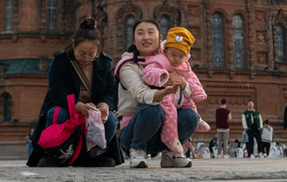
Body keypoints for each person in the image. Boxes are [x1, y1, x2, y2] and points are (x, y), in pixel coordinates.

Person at [27, 18, 121, 167]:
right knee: (57, 114)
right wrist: (79, 107)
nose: (86, 58)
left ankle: (94, 155)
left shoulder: (105, 63)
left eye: (92, 54)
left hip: (93, 110)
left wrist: (104, 105)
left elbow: (110, 91)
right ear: (73, 44)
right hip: (67, 107)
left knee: (110, 121)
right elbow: (56, 92)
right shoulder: (61, 61)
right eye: (81, 53)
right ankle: (56, 153)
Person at [116, 19, 196, 168]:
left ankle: (170, 154)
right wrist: (163, 93)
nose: (146, 37)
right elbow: (141, 94)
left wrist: (183, 82)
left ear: (160, 39)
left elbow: (192, 90)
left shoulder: (171, 59)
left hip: (163, 132)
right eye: (140, 33)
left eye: (150, 32)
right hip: (134, 132)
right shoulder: (128, 65)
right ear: (134, 39)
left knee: (191, 115)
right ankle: (137, 150)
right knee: (153, 108)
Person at [139, 27, 209, 154]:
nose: (176, 59)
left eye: (181, 56)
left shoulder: (184, 67)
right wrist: (163, 76)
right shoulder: (159, 61)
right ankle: (171, 139)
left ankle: (196, 120)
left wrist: (194, 89)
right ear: (165, 51)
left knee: (190, 106)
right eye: (173, 55)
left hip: (180, 101)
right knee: (170, 112)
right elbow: (148, 72)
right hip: (165, 97)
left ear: (186, 56)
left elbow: (193, 80)